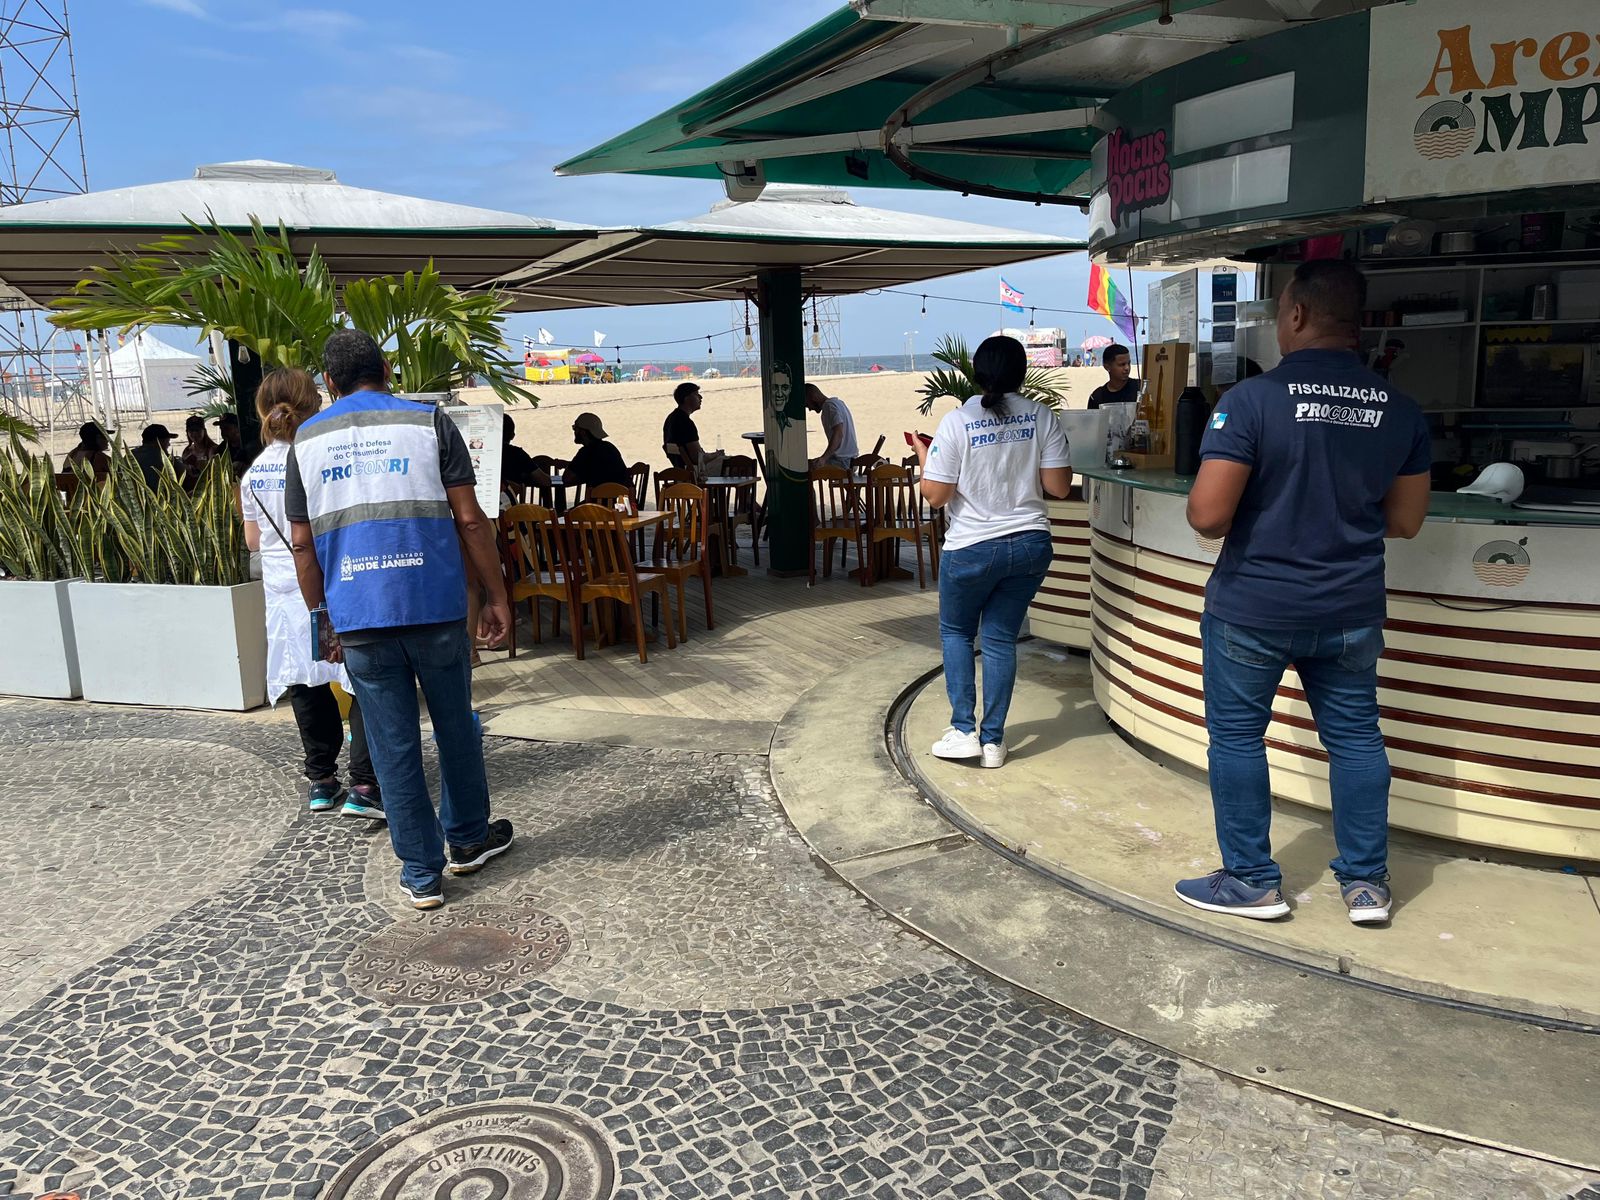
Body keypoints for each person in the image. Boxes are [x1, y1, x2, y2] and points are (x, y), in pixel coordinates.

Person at [1176, 259, 1431, 927]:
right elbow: (1404, 521)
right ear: (1357, 320)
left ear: (1295, 316)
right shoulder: (1400, 411)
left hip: (1254, 606)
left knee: (1237, 740)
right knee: (1354, 738)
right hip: (1349, 607)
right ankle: (1367, 887)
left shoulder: (1252, 401)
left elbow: (1207, 515)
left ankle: (1252, 882)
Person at [285, 329, 514, 911]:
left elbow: (303, 549)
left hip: (360, 616)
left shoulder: (306, 441)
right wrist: (495, 593)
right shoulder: (430, 422)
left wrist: (324, 618)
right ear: (386, 369)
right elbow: (470, 520)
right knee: (456, 725)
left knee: (390, 743)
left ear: (329, 383)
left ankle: (420, 873)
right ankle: (466, 840)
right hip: (435, 608)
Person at [911, 335, 1071, 770]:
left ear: (976, 374)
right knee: (1000, 638)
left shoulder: (957, 421)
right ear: (1022, 373)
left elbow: (937, 496)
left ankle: (963, 731)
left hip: (971, 548)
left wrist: (927, 459)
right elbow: (1058, 487)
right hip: (1030, 544)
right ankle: (993, 742)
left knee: (957, 634)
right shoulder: (1042, 417)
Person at [241, 369, 383, 819]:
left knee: (305, 681)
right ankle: (364, 782)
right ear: (312, 406)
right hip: (332, 583)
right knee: (359, 678)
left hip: (284, 593)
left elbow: (252, 541)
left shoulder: (254, 473)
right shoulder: (318, 456)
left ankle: (321, 780)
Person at [563, 412, 632, 493]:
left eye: (575, 428)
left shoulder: (586, 452)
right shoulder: (609, 447)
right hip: (623, 502)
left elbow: (566, 478)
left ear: (583, 432)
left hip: (601, 503)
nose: (574, 431)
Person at [804, 383, 860, 470]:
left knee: (805, 468)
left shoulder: (829, 406)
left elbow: (838, 433)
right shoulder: (839, 403)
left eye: (807, 405)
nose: (810, 409)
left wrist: (823, 458)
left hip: (843, 461)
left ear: (813, 397)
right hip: (851, 459)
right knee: (808, 464)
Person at [663, 381, 703, 468]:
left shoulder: (671, 418)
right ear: (687, 398)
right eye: (696, 394)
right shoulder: (685, 422)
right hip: (693, 472)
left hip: (680, 470)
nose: (700, 397)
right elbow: (697, 458)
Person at [1087, 343, 1138, 409]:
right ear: (1107, 367)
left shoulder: (1139, 388)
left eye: (1129, 363)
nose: (1127, 368)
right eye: (1122, 364)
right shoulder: (1097, 397)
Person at [131, 423, 178, 489]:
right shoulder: (163, 458)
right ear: (159, 441)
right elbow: (183, 472)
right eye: (167, 441)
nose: (169, 444)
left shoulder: (131, 455)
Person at [180, 414, 220, 486]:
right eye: (191, 431)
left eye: (197, 430)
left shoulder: (212, 449)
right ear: (187, 433)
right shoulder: (187, 451)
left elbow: (216, 474)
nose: (194, 433)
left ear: (204, 431)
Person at [501, 413, 537, 490]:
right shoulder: (517, 454)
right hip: (510, 501)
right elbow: (544, 480)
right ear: (512, 435)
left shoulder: (479, 454)